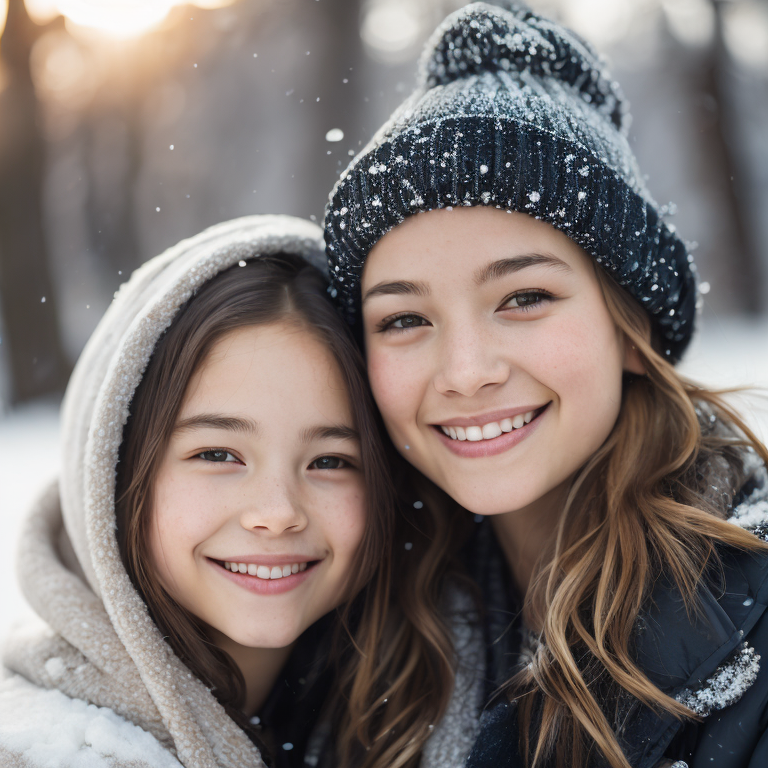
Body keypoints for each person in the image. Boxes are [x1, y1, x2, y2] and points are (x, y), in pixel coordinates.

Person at [324, 4, 768, 767]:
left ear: (631, 332)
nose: (466, 371)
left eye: (524, 299)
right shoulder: (358, 618)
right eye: (404, 319)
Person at [0, 215, 462, 768]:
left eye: (331, 461)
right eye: (218, 455)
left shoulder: (395, 717)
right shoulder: (40, 748)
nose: (277, 512)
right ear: (113, 473)